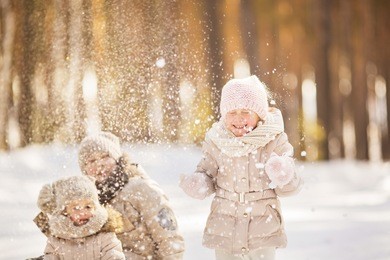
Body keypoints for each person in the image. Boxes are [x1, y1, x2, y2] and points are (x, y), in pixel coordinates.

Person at [179, 75, 303, 260]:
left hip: (262, 227)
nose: (238, 119)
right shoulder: (217, 141)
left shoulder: (273, 139)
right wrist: (199, 183)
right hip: (225, 225)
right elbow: (207, 173)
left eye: (245, 111)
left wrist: (283, 174)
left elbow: (291, 187)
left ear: (259, 114)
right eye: (232, 112)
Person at [78, 131, 185, 260]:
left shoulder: (141, 189)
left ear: (117, 159)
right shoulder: (89, 202)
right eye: (91, 160)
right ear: (84, 169)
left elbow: (170, 238)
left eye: (105, 156)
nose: (99, 164)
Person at [36, 175, 126, 259]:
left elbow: (114, 256)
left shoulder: (105, 236)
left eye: (88, 207)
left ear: (95, 208)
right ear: (64, 212)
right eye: (76, 208)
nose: (83, 213)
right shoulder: (56, 241)